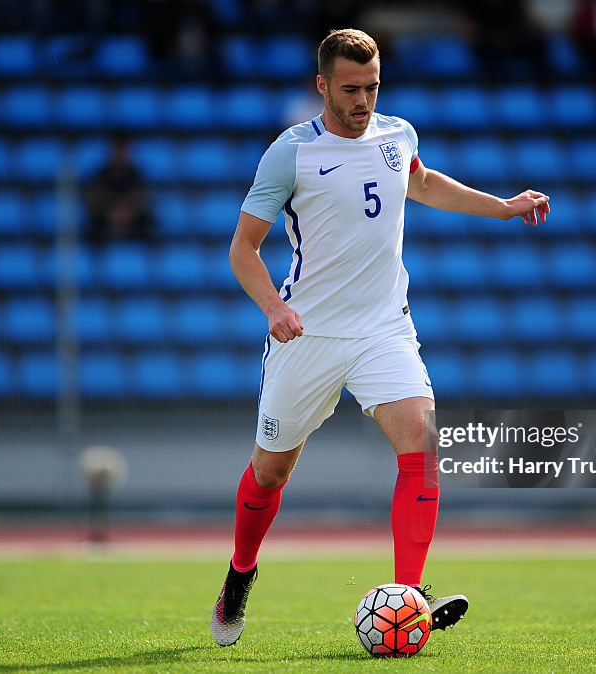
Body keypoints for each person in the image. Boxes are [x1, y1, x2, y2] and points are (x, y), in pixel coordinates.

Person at [211, 28, 550, 647]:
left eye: (371, 87)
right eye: (350, 89)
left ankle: (410, 596)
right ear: (322, 87)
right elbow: (243, 248)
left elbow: (420, 183)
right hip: (306, 334)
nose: (363, 100)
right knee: (272, 470)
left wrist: (501, 206)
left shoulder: (398, 135)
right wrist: (272, 307)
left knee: (422, 439)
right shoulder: (291, 152)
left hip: (383, 328)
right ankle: (239, 574)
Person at [84, 135, 153, 244]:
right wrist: (111, 211)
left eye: (125, 151)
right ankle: (96, 257)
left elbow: (142, 198)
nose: (121, 155)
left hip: (132, 220)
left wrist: (127, 211)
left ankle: (144, 256)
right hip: (106, 218)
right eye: (118, 150)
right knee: (92, 226)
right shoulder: (101, 175)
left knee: (149, 224)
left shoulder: (137, 175)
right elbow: (93, 198)